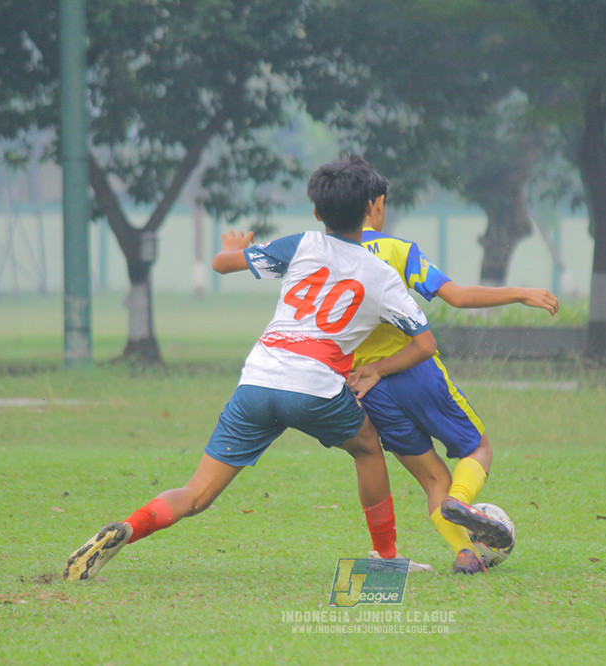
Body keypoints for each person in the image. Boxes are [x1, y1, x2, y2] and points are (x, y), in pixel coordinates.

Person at [64, 155, 438, 581]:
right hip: (314, 386)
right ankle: (386, 557)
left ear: (317, 212)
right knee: (368, 447)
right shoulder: (382, 274)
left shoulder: (301, 244)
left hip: (258, 379)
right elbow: (425, 345)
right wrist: (378, 369)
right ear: (372, 209)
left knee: (197, 494)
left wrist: (231, 249)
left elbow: (224, 264)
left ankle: (129, 527)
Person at [347, 159, 559, 575]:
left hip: (368, 388)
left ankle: (465, 553)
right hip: (415, 369)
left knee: (431, 479)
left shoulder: (322, 259)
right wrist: (519, 292)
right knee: (477, 448)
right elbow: (457, 296)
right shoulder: (396, 250)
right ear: (377, 205)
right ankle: (461, 501)